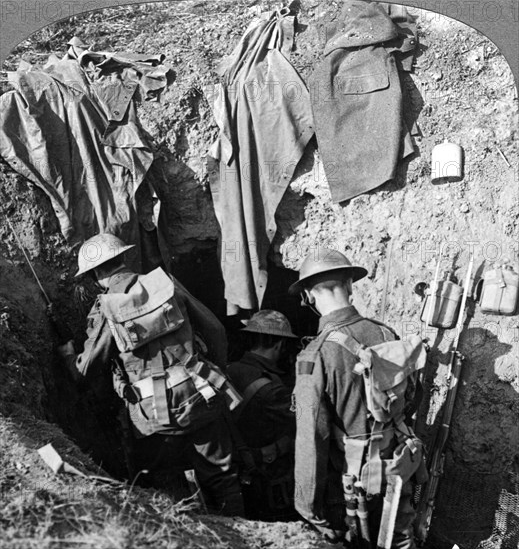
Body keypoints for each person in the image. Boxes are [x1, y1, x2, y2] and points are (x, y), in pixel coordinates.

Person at [57, 233, 243, 516]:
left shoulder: (107, 307)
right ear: (123, 258)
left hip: (151, 415)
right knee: (223, 476)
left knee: (165, 486)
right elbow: (216, 330)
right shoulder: (164, 283)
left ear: (96, 274)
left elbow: (86, 370)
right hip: (199, 394)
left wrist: (69, 357)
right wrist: (214, 371)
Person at [288, 249, 420, 548]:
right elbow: (411, 397)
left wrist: (307, 507)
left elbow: (312, 437)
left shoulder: (314, 356)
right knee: (401, 539)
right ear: (350, 285)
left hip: (349, 486)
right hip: (398, 467)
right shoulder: (386, 333)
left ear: (308, 295)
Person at [225, 310, 299, 521]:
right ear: (280, 345)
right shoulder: (271, 389)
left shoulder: (230, 369)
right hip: (268, 474)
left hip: (238, 468)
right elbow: (303, 418)